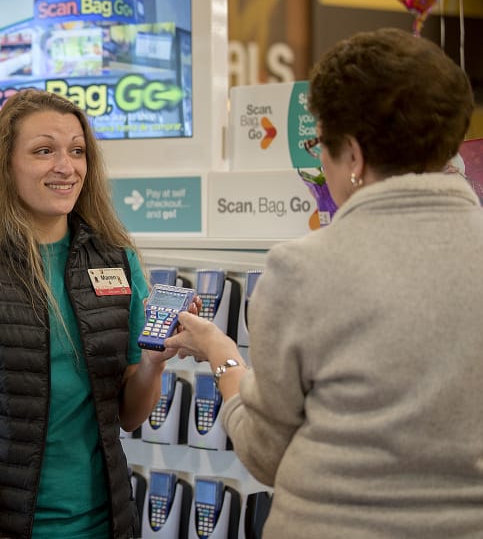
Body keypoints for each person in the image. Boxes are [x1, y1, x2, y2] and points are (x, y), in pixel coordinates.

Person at [167, 27, 483, 538]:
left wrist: (222, 356)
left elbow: (266, 454)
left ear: (353, 156)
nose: (321, 160)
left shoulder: (304, 269)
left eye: (321, 145)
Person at [0, 89, 199, 539]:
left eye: (77, 151)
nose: (66, 166)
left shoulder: (116, 262)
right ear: (6, 164)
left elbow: (128, 416)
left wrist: (153, 364)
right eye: (44, 151)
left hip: (106, 525)